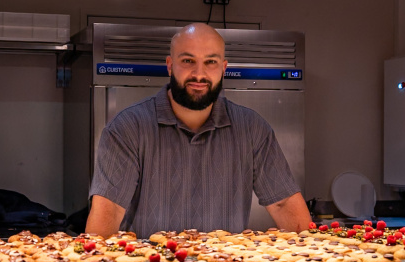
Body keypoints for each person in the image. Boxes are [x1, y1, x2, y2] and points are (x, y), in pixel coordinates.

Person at [86, 23, 310, 238]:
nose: (199, 74)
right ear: (170, 65)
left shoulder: (253, 128)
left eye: (210, 62)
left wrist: (315, 259)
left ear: (223, 68)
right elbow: (110, 209)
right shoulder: (127, 128)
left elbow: (283, 203)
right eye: (187, 60)